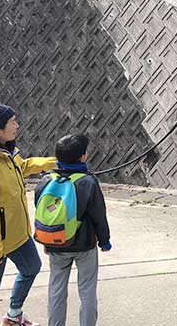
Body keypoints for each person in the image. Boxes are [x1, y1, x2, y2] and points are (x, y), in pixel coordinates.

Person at [0, 98, 57, 326]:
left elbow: (23, 166)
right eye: (12, 122)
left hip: (17, 234)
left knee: (31, 267)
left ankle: (13, 315)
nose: (17, 125)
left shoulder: (5, 152)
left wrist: (52, 163)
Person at [35, 134, 111, 326]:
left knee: (56, 289)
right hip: (85, 245)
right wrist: (104, 241)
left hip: (57, 243)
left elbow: (42, 211)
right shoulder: (88, 182)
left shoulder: (45, 180)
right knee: (87, 290)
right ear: (83, 157)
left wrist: (47, 240)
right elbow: (99, 215)